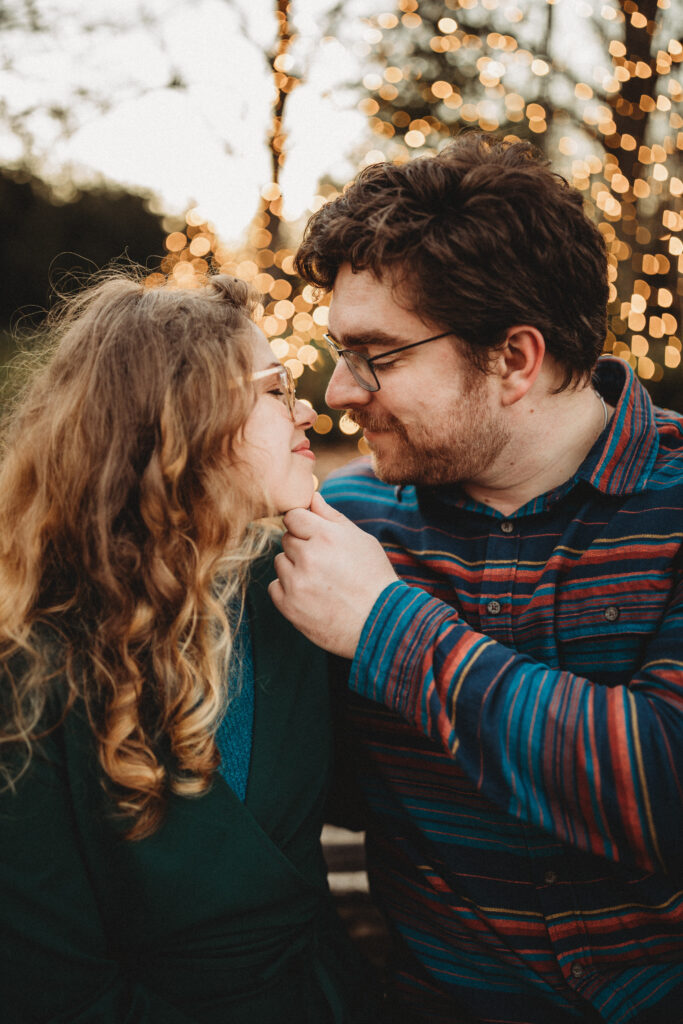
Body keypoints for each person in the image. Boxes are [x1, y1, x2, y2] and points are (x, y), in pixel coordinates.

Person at [269, 133, 683, 1023]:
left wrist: (386, 629)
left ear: (513, 359)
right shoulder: (344, 529)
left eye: (375, 355)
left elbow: (664, 789)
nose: (339, 392)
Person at [0, 270, 373, 1023]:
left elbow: (379, 795)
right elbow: (48, 981)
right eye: (275, 387)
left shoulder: (295, 590)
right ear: (185, 417)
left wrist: (382, 626)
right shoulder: (32, 661)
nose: (305, 407)